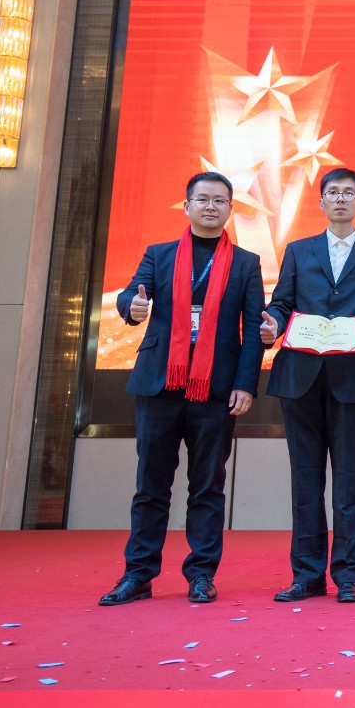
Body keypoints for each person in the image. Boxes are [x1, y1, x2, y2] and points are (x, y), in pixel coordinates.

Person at [100, 172, 264, 606]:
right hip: (161, 385)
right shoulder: (160, 254)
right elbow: (130, 296)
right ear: (187, 205)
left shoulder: (246, 263)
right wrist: (133, 307)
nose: (211, 207)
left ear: (230, 209)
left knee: (207, 486)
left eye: (220, 201)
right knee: (150, 486)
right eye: (202, 199)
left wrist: (246, 384)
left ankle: (201, 575)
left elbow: (252, 328)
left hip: (216, 389)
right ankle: (138, 575)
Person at [260, 168, 355, 604]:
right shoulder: (298, 251)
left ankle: (349, 576)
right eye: (332, 192)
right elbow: (282, 303)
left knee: (349, 481)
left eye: (348, 193)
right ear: (320, 202)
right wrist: (273, 324)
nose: (340, 198)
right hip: (299, 376)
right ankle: (307, 575)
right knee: (305, 479)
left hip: (350, 377)